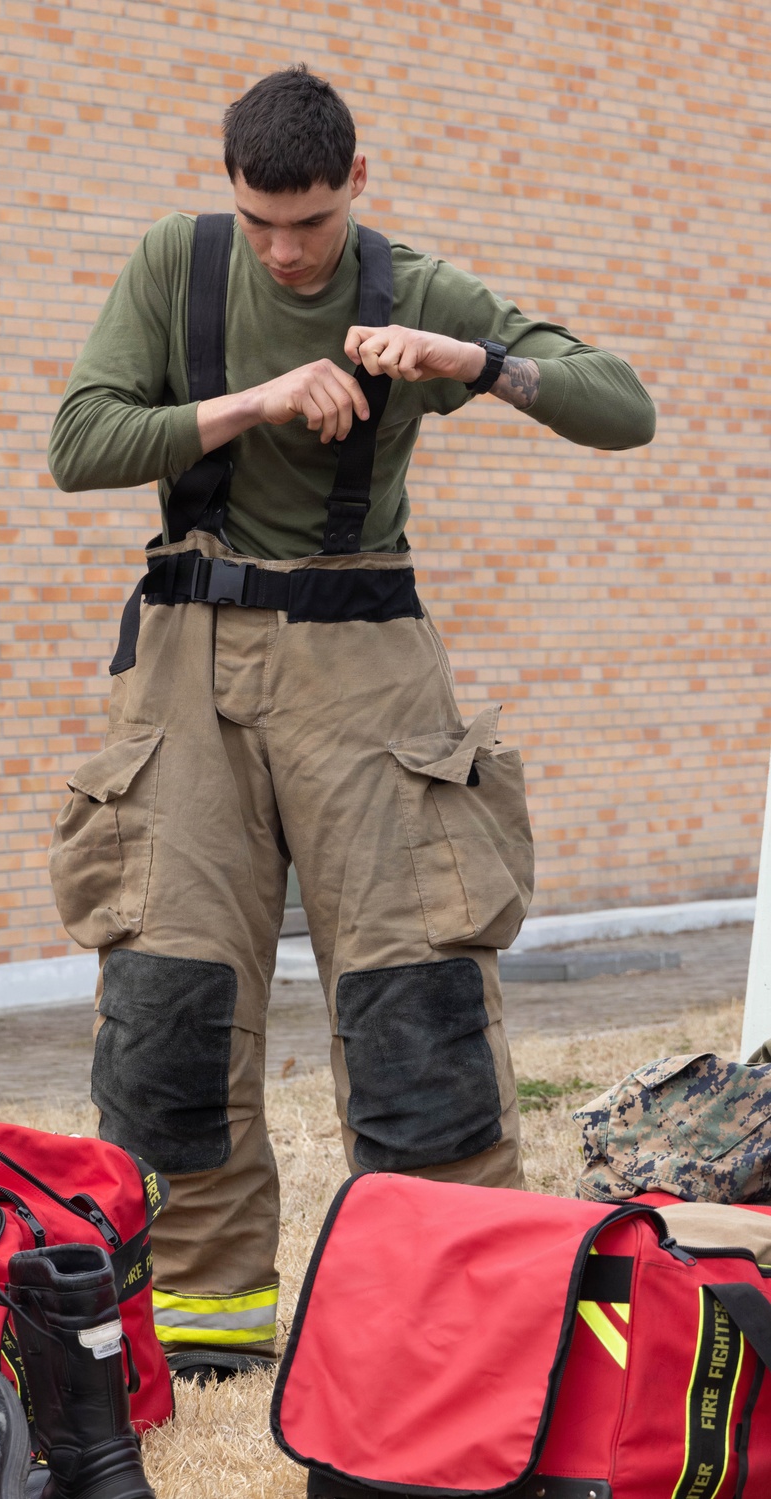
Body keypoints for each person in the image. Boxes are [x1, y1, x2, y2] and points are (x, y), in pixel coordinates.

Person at [46, 65, 655, 1384]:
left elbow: (625, 406)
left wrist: (475, 366)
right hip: (186, 669)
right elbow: (81, 440)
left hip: (368, 670)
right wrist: (258, 401)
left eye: (310, 222)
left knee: (413, 1000)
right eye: (261, 220)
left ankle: (453, 1319)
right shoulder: (178, 268)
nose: (285, 251)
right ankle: (203, 1321)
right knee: (166, 1000)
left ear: (357, 186)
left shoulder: (415, 289)